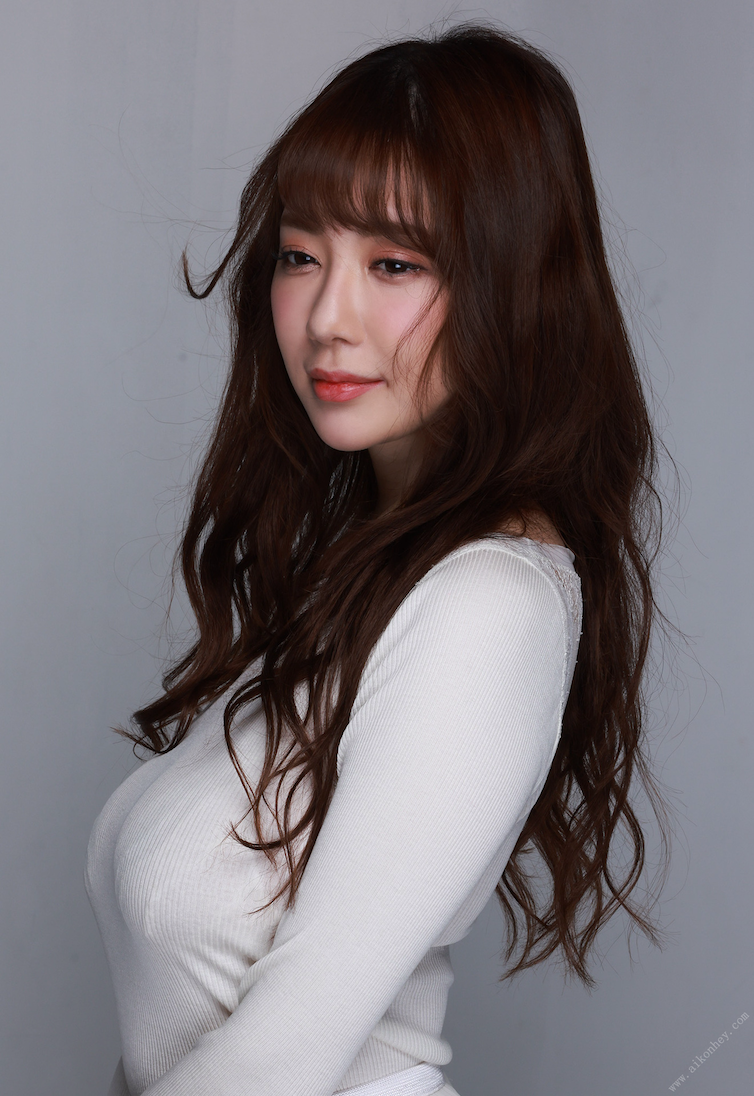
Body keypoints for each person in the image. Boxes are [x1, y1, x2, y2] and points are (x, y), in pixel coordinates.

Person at [86, 22, 670, 1096]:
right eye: (301, 255)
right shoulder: (365, 572)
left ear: (513, 287)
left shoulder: (490, 602)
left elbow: (279, 1064)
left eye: (395, 263)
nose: (327, 318)